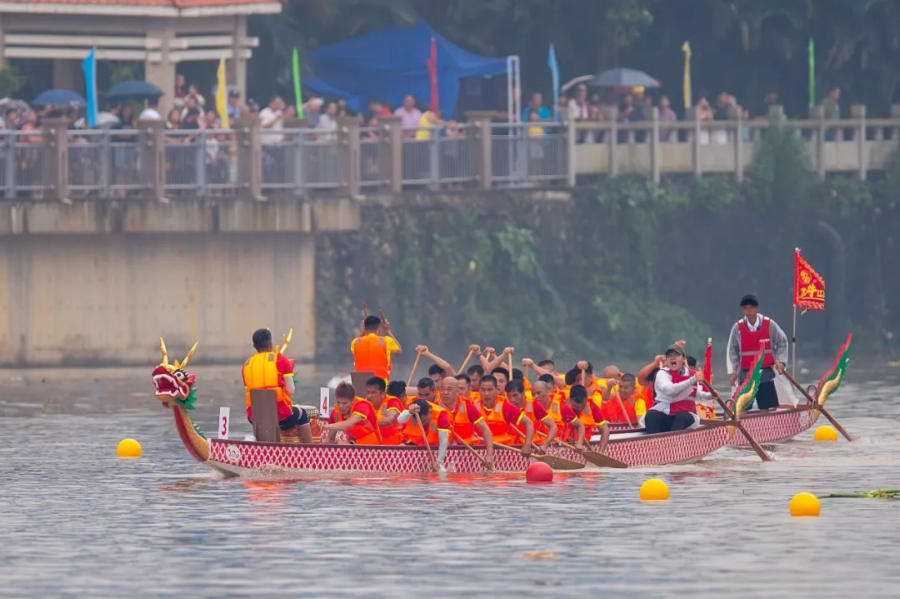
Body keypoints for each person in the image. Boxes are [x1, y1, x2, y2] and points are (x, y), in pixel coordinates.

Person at [242, 328, 312, 443]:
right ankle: (311, 451)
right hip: (281, 416)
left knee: (263, 416)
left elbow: (252, 392)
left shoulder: (246, 364)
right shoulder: (280, 360)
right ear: (270, 344)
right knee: (302, 414)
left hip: (254, 417)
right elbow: (291, 390)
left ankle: (264, 445)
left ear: (254, 346)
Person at [726, 294, 789, 410]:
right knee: (742, 409)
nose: (748, 312)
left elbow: (782, 342)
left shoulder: (769, 325)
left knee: (769, 408)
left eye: (751, 308)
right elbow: (732, 350)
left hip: (765, 373)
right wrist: (733, 371)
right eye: (745, 309)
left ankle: (770, 427)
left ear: (756, 308)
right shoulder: (737, 328)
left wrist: (781, 362)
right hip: (746, 375)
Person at [645, 344, 708, 434]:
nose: (672, 358)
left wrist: (712, 395)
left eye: (676, 355)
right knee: (651, 415)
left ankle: (672, 444)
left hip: (686, 415)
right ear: (666, 360)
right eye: (669, 356)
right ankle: (652, 443)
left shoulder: (693, 374)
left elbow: (699, 394)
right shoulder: (662, 374)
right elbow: (670, 390)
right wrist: (691, 380)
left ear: (683, 359)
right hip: (666, 412)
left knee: (681, 417)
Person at [437, 377, 494, 460]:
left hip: (466, 453)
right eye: (442, 389)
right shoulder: (434, 406)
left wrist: (489, 454)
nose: (445, 392)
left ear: (457, 391)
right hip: (440, 452)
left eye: (449, 389)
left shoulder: (467, 406)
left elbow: (485, 429)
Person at [476, 374, 532, 453]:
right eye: (483, 390)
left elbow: (529, 423)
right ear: (479, 390)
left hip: (503, 452)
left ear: (496, 390)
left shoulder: (505, 406)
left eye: (490, 390)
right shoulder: (473, 406)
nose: (486, 393)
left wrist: (527, 444)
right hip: (477, 450)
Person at [398, 399, 450, 471]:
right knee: (401, 446)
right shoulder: (412, 408)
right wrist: (409, 412)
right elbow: (400, 420)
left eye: (424, 421)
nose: (422, 424)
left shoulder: (441, 415)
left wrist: (439, 462)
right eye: (419, 422)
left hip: (436, 447)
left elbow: (444, 442)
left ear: (429, 412)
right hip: (418, 444)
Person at [350, 314, 402, 381]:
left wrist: (362, 332)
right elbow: (399, 350)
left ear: (364, 328)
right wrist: (388, 331)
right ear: (379, 329)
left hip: (360, 385)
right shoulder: (386, 341)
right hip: (381, 385)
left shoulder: (355, 342)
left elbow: (358, 341)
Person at [511, 379, 557, 450]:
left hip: (533, 448)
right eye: (533, 394)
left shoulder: (534, 405)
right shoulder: (505, 406)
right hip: (511, 448)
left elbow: (553, 427)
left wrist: (545, 445)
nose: (512, 399)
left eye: (539, 393)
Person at [367, 376, 404, 444]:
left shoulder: (392, 401)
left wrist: (368, 424)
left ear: (383, 394)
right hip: (372, 444)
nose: (369, 396)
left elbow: (389, 420)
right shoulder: (366, 403)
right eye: (368, 392)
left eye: (373, 393)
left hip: (393, 446)